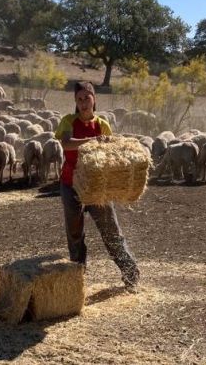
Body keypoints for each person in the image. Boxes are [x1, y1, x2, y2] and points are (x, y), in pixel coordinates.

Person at [55, 81, 140, 289]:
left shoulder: (103, 124)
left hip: (98, 188)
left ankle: (131, 274)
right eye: (80, 99)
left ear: (94, 99)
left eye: (87, 98)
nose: (84, 103)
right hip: (71, 185)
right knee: (75, 234)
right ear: (76, 102)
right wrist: (93, 141)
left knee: (111, 231)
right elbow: (66, 144)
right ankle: (78, 279)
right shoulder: (68, 121)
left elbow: (110, 156)